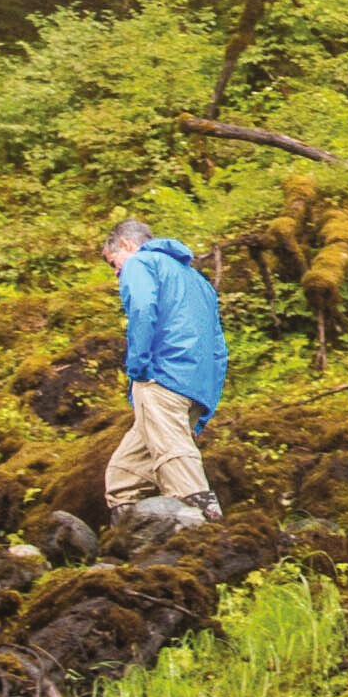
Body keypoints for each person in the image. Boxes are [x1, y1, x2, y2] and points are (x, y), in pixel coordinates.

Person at [104, 213, 227, 538]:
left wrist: (138, 365)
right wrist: (206, 403)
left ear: (127, 245)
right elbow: (218, 347)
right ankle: (132, 546)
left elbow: (143, 310)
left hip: (161, 377)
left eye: (113, 262)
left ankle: (207, 537)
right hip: (194, 385)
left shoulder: (140, 264)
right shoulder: (198, 281)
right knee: (122, 476)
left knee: (175, 459)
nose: (116, 273)